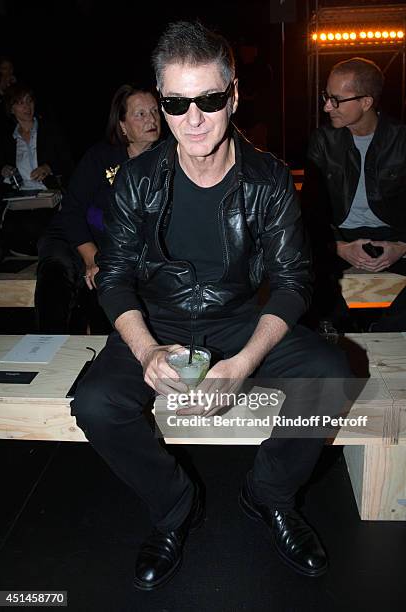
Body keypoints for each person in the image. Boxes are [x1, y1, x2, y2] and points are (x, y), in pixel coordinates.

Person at [71, 21, 352, 590]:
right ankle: (175, 509)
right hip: (160, 321)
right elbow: (115, 277)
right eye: (175, 102)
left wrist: (244, 361)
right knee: (97, 402)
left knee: (330, 373)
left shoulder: (270, 179)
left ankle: (268, 497)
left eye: (209, 99)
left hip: (239, 319)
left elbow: (294, 282)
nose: (193, 118)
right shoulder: (135, 179)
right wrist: (146, 349)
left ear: (234, 96)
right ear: (162, 101)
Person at [34, 84, 161, 333]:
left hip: (115, 245)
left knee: (109, 290)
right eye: (141, 114)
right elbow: (72, 210)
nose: (152, 119)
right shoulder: (101, 156)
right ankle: (47, 353)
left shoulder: (167, 159)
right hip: (75, 236)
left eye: (155, 111)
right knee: (57, 276)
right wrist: (92, 258)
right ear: (122, 125)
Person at [302, 57, 406, 332]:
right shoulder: (323, 141)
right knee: (303, 280)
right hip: (337, 238)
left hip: (394, 237)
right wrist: (337, 247)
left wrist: (402, 247)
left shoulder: (401, 139)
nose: (327, 106)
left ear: (366, 102)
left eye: (336, 100)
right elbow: (310, 212)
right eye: (327, 97)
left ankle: (379, 333)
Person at [0, 82, 73, 256]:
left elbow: (69, 163)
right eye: (20, 103)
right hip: (19, 198)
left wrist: (49, 167)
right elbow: (1, 168)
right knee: (12, 229)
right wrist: (4, 171)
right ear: (11, 109)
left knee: (40, 228)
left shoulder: (50, 130)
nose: (27, 107)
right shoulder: (6, 139)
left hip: (47, 195)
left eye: (29, 101)